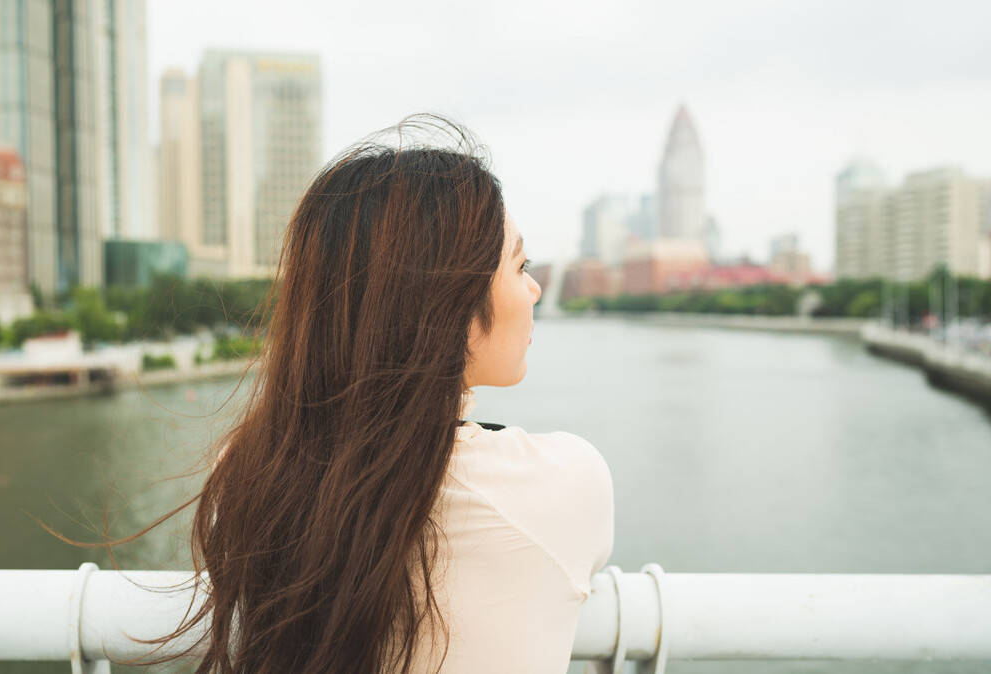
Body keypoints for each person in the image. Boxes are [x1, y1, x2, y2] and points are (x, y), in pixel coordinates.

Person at [95, 114, 614, 673]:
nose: (535, 288)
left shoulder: (246, 481)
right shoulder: (564, 481)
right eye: (520, 266)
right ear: (450, 307)